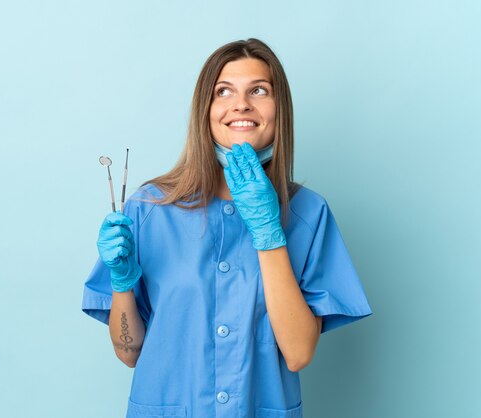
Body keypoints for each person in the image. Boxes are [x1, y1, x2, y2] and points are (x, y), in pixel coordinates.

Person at [82, 38, 372, 418]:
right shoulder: (149, 208)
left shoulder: (308, 214)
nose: (241, 104)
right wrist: (121, 282)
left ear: (278, 110)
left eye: (259, 90)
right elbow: (128, 351)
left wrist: (269, 234)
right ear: (206, 110)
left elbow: (299, 353)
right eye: (224, 91)